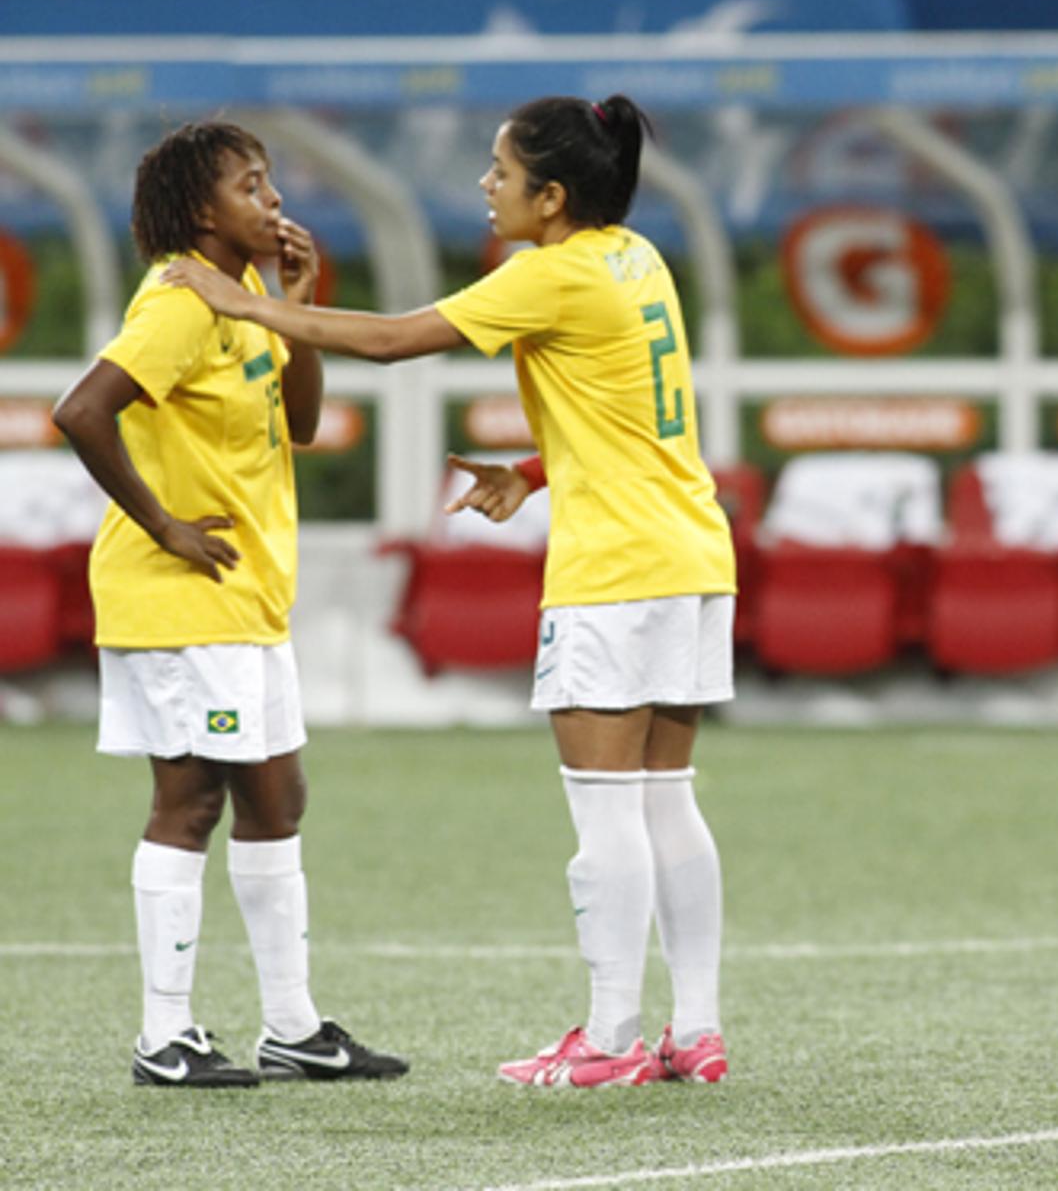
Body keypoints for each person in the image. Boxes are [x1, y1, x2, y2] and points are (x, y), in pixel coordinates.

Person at [164, 94, 736, 1089]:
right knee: (666, 797)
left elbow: (392, 338)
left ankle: (607, 1039)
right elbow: (632, 410)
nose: (485, 185)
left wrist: (249, 302)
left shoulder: (547, 274)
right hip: (692, 553)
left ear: (551, 196)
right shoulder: (634, 257)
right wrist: (535, 467)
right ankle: (696, 1029)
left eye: (500, 170)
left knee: (603, 809)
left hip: (615, 571)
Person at [53, 122, 408, 1088]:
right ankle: (163, 1038)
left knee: (276, 797)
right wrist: (164, 524)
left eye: (272, 183)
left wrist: (296, 308)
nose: (274, 201)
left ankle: (290, 1028)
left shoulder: (244, 291)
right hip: (181, 597)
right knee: (192, 800)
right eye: (252, 187)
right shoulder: (179, 300)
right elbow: (80, 411)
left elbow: (298, 421)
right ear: (202, 211)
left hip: (246, 598)